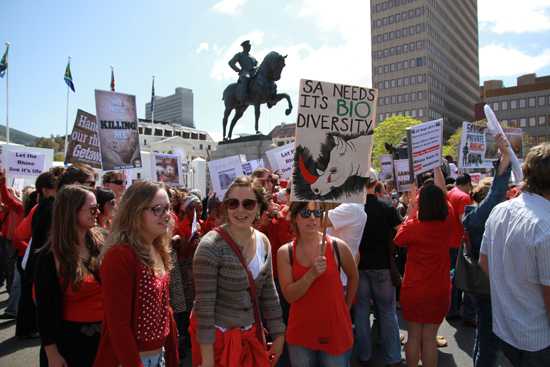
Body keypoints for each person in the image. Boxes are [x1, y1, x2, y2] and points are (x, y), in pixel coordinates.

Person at [191, 176, 285, 367]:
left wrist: (279, 334)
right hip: (219, 342)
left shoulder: (263, 241)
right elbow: (205, 309)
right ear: (226, 207)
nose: (240, 210)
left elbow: (269, 292)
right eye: (233, 203)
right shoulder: (210, 247)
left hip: (250, 338)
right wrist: (208, 360)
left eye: (248, 204)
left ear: (259, 207)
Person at [480, 142, 550, 366]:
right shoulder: (546, 226)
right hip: (538, 340)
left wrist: (511, 288)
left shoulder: (500, 211)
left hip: (504, 329)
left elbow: (484, 261)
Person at [94, 181, 179, 367]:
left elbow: (165, 311)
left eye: (168, 208)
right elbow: (118, 326)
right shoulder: (120, 256)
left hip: (159, 357)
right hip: (129, 360)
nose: (167, 216)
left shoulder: (158, 248)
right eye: (157, 209)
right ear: (135, 212)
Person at [277, 201, 358, 366]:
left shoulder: (337, 246)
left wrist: (346, 307)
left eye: (317, 213)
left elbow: (354, 276)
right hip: (301, 334)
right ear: (294, 218)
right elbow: (289, 296)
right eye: (306, 213)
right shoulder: (286, 253)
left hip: (334, 331)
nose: (313, 218)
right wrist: (311, 274)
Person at [394, 170, 459, 367]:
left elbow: (398, 239)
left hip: (414, 289)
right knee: (430, 338)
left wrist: (411, 213)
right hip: (439, 289)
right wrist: (437, 169)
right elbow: (443, 195)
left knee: (413, 336)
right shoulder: (448, 221)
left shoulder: (413, 226)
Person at [34, 185, 104, 367]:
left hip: (105, 339)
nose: (97, 212)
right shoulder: (49, 256)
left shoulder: (102, 241)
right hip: (70, 342)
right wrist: (52, 353)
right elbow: (45, 310)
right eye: (92, 208)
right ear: (72, 211)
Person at [462, 134, 511, 367]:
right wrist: (505, 160)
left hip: (480, 284)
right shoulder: (480, 216)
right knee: (489, 341)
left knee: (483, 335)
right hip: (487, 285)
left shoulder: (473, 214)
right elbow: (495, 196)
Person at [355, 179, 403, 367]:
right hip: (383, 266)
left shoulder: (353, 210)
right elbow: (400, 233)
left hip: (359, 267)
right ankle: (393, 356)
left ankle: (365, 354)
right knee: (387, 311)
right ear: (375, 185)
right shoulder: (387, 207)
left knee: (361, 312)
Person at [447, 173, 475, 324]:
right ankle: (454, 310)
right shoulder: (464, 197)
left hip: (447, 241)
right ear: (468, 183)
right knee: (459, 278)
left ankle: (451, 308)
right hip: (458, 242)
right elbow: (465, 221)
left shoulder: (449, 193)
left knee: (452, 277)